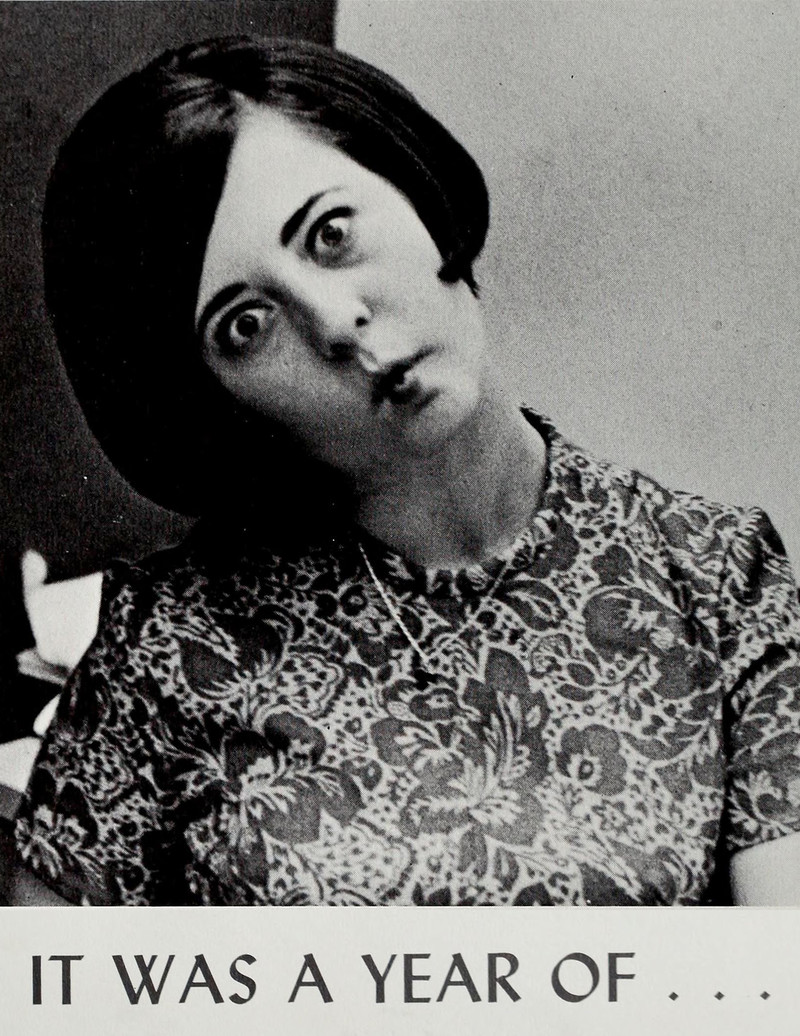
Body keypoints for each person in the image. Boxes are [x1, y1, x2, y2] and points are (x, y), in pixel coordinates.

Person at [10, 36, 800, 906]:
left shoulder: (716, 574)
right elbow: (46, 970)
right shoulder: (172, 645)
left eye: (331, 235)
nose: (335, 323)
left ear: (415, 183)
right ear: (216, 400)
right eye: (246, 325)